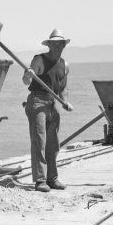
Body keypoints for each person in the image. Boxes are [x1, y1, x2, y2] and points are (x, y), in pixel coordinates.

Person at [22, 29, 73, 192]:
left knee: (54, 143)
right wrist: (28, 74)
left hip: (53, 103)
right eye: (55, 44)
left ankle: (52, 178)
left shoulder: (65, 65)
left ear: (64, 46)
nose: (58, 46)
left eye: (61, 44)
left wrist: (65, 102)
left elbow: (63, 88)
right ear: (49, 45)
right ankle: (40, 180)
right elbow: (25, 81)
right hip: (37, 101)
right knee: (40, 141)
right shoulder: (39, 59)